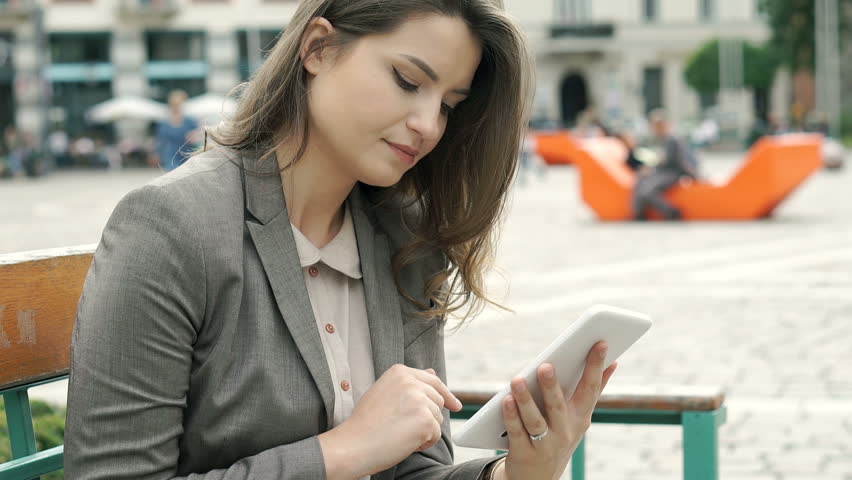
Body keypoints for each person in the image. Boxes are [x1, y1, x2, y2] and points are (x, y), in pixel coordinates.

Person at [65, 1, 617, 479]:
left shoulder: (407, 238)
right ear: (319, 49)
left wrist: (513, 473)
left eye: (449, 105)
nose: (428, 123)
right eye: (407, 80)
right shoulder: (171, 226)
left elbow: (413, 468)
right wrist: (343, 451)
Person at [631, 109, 700, 221]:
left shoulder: (672, 140)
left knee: (647, 190)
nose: (656, 129)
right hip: (666, 172)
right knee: (641, 180)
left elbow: (676, 161)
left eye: (658, 125)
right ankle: (638, 212)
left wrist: (694, 175)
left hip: (673, 173)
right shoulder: (665, 139)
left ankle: (671, 211)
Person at [154, 89, 200, 171]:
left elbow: (197, 140)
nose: (176, 107)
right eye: (174, 104)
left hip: (186, 154)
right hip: (170, 155)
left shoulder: (190, 121)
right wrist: (157, 154)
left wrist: (193, 138)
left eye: (178, 104)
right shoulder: (164, 123)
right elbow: (160, 141)